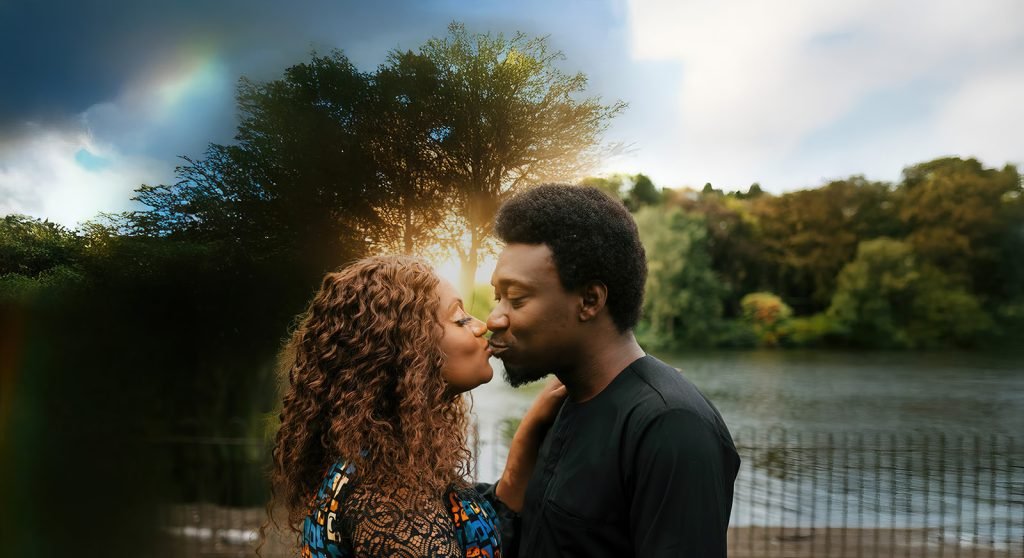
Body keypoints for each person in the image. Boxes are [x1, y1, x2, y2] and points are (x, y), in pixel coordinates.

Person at [487, 184, 741, 557]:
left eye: (518, 299)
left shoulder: (671, 425)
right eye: (498, 297)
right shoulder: (564, 404)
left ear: (589, 300)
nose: (494, 318)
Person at [265, 255, 565, 557]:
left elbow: (474, 532)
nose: (480, 325)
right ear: (407, 356)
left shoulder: (389, 460)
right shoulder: (390, 502)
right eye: (459, 318)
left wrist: (532, 425)